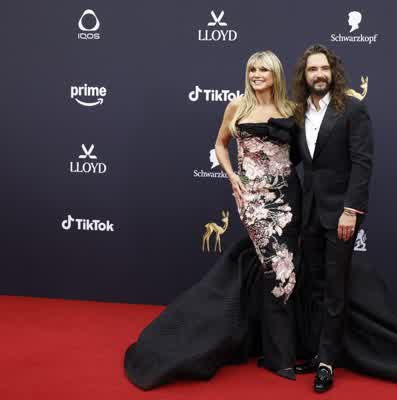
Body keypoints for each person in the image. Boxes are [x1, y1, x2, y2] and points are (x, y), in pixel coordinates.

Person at [290, 44, 397, 392]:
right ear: (304, 75)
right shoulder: (299, 112)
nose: (319, 75)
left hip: (341, 214)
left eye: (324, 68)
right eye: (312, 69)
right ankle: (316, 350)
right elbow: (295, 157)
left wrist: (350, 211)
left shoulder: (353, 108)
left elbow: (362, 163)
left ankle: (327, 362)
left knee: (336, 288)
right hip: (309, 212)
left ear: (333, 72)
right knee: (314, 286)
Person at [123, 50, 301, 388]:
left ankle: (274, 348)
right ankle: (280, 356)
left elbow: (303, 153)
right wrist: (232, 177)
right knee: (278, 269)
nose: (256, 74)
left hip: (288, 198)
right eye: (252, 69)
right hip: (253, 201)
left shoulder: (291, 109)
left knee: (288, 270)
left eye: (263, 69)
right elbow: (220, 145)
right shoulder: (237, 107)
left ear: (275, 74)